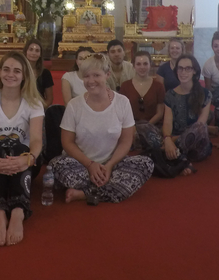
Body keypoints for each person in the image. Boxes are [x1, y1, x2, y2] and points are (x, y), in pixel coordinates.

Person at [48, 53, 155, 205]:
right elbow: (67, 142)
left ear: (107, 75)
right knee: (56, 166)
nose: (91, 81)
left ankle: (85, 193)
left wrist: (109, 165)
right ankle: (110, 188)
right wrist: (90, 165)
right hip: (80, 163)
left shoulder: (122, 102)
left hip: (112, 163)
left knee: (146, 164)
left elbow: (126, 140)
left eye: (96, 75)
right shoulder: (74, 105)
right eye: (86, 76)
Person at [0, 52, 44, 246]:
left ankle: (18, 212)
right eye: (6, 69)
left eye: (16, 71)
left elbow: (37, 140)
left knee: (19, 147)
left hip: (25, 161)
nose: (10, 74)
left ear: (24, 76)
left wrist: (28, 158)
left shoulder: (34, 103)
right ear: (0, 72)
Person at [162, 54, 213, 166]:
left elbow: (201, 123)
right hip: (174, 139)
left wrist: (173, 140)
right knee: (144, 128)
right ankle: (178, 158)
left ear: (194, 71)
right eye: (180, 68)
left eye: (188, 68)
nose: (183, 72)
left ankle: (175, 158)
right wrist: (167, 138)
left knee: (199, 128)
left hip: (196, 143)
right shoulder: (170, 95)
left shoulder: (205, 94)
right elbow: (167, 122)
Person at [119, 50, 165, 152]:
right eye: (138, 64)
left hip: (152, 126)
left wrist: (145, 126)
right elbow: (122, 112)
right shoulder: (125, 86)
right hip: (131, 126)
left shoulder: (158, 86)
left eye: (145, 63)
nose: (142, 67)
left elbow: (160, 113)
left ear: (150, 65)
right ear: (134, 66)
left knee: (149, 137)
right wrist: (133, 127)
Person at [24, 39, 54, 106]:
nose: (33, 53)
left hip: (38, 108)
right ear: (26, 51)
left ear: (40, 54)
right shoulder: (18, 71)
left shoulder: (45, 73)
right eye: (31, 49)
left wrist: (38, 110)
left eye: (37, 51)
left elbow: (49, 99)